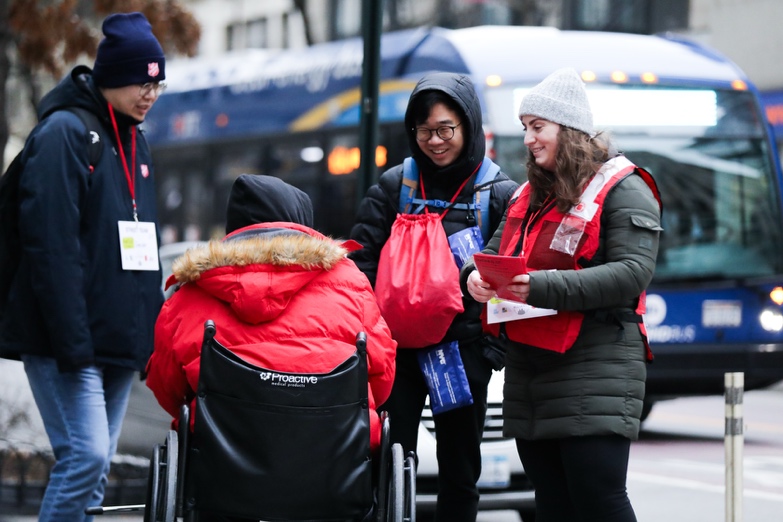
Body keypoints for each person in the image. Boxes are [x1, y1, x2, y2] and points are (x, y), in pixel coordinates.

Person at [462, 67, 663, 522]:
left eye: (538, 127)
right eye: (525, 128)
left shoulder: (624, 187)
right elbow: (489, 253)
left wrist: (537, 286)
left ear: (568, 129)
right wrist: (471, 276)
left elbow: (632, 273)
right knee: (552, 503)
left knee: (598, 498)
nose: (529, 139)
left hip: (595, 364)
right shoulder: (532, 194)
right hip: (532, 366)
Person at [0, 12, 166, 521]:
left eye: (158, 82)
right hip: (67, 342)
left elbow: (142, 247)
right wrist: (72, 344)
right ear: (111, 75)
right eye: (143, 80)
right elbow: (52, 248)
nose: (151, 93)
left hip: (114, 341)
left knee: (91, 473)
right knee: (87, 457)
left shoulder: (134, 141)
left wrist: (146, 337)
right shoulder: (64, 134)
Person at [350, 72, 519, 522]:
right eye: (425, 131)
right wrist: (370, 339)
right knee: (387, 465)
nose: (435, 141)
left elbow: (516, 277)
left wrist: (491, 351)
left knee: (460, 474)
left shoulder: (498, 193)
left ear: (469, 126)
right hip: (398, 354)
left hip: (464, 353)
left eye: (446, 129)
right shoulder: (394, 187)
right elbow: (360, 265)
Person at [146, 173, 397, 451]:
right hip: (337, 457)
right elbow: (382, 376)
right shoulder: (351, 283)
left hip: (219, 465)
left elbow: (166, 387)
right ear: (302, 224)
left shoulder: (190, 295)